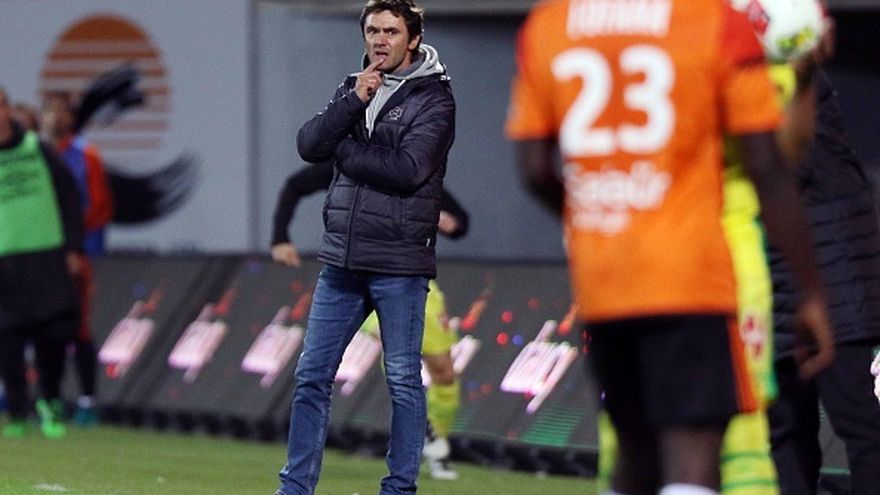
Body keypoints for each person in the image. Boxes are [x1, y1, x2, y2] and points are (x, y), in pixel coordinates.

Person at [506, 2, 834, 495]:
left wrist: (600, 222)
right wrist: (812, 290)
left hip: (604, 276)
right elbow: (770, 165)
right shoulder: (715, 24)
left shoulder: (550, 25)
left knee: (633, 451)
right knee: (701, 452)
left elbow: (534, 169)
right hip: (695, 271)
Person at [275, 1, 455, 494]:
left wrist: (344, 148)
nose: (379, 39)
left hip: (399, 262)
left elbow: (407, 171)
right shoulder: (353, 88)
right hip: (342, 261)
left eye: (391, 31)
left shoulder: (435, 99)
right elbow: (308, 145)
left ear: (413, 39)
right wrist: (352, 102)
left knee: (402, 379)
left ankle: (399, 489)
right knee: (311, 376)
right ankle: (295, 488)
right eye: (373, 30)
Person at [271, 161, 468, 480]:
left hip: (408, 276)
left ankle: (433, 440)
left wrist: (450, 224)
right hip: (352, 276)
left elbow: (461, 221)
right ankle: (297, 481)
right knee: (323, 372)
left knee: (442, 370)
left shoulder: (412, 164)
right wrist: (280, 236)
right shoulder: (347, 161)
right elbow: (296, 184)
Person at [765, 53, 880, 495]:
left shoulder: (790, 79)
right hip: (777, 279)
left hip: (832, 274)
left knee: (857, 419)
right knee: (788, 432)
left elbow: (785, 164)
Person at [0, 86, 84, 439]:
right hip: (4, 260)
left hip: (46, 255)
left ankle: (49, 400)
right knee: (8, 339)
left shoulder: (38, 149)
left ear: (7, 109)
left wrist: (73, 248)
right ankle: (17, 411)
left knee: (54, 333)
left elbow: (69, 197)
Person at [41, 91, 114, 426]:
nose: (55, 118)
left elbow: (99, 207)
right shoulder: (35, 155)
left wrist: (73, 241)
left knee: (78, 327)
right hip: (39, 255)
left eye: (61, 111)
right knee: (40, 328)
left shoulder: (86, 155)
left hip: (75, 254)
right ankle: (47, 399)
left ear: (70, 118)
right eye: (49, 111)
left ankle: (87, 400)